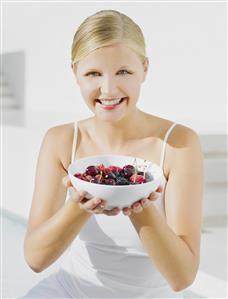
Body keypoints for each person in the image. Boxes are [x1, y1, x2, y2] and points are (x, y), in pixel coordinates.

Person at [19, 9, 204, 299]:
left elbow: (182, 277)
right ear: (75, 74)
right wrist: (79, 206)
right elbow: (35, 259)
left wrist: (138, 204)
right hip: (71, 291)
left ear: (145, 69)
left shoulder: (178, 144)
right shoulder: (61, 140)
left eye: (123, 72)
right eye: (93, 73)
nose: (107, 89)